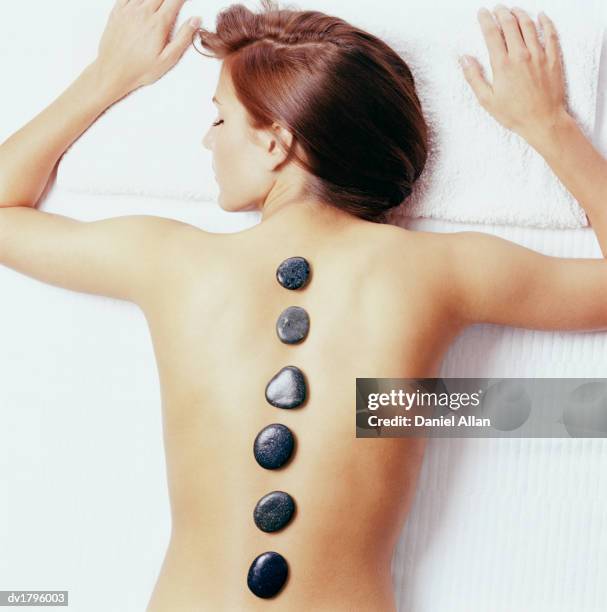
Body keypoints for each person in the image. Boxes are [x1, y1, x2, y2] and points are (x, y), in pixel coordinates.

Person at [0, 0, 605, 610]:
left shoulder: (172, 263)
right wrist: (548, 127)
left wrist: (108, 77)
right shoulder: (435, 271)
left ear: (276, 142)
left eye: (220, 119)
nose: (206, 141)